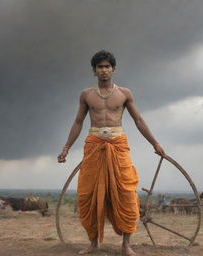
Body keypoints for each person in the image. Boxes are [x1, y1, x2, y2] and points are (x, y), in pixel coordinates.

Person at [57, 50, 165, 256]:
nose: (104, 70)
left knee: (126, 193)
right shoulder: (86, 95)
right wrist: (66, 148)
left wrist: (155, 143)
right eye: (100, 67)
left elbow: (139, 120)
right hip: (94, 144)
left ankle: (126, 246)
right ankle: (93, 244)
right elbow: (78, 122)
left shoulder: (125, 93)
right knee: (89, 194)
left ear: (113, 70)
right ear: (94, 71)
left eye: (107, 66)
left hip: (118, 145)